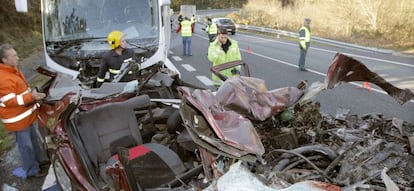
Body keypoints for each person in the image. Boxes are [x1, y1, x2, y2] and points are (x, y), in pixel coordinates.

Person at [0, 44, 49, 178]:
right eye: (14, 56)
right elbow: (9, 101)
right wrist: (31, 96)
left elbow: (21, 91)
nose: (18, 57)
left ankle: (41, 161)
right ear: (4, 60)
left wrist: (32, 94)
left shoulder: (12, 70)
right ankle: (32, 170)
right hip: (17, 120)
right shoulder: (3, 78)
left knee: (34, 141)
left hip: (26, 115)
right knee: (26, 147)